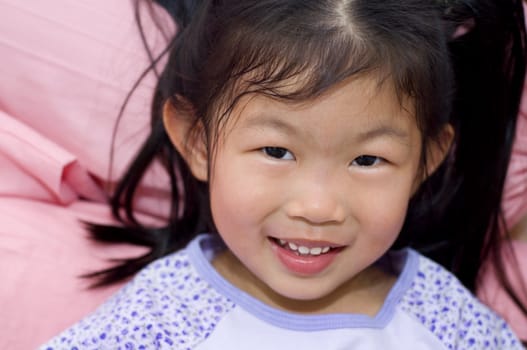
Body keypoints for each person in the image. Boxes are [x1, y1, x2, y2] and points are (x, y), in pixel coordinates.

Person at [40, 0, 526, 349]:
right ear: (197, 141)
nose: (317, 208)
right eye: (276, 150)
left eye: (367, 160)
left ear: (427, 160)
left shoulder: (446, 318)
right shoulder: (161, 319)